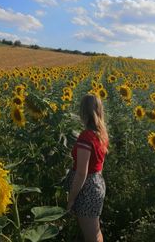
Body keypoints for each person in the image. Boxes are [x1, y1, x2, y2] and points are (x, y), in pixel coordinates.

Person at [65, 94, 109, 242]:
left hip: (87, 188)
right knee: (95, 231)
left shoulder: (86, 137)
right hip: (97, 182)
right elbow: (99, 165)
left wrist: (71, 199)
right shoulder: (101, 134)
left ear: (83, 112)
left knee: (91, 234)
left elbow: (82, 173)